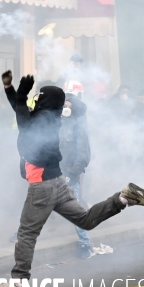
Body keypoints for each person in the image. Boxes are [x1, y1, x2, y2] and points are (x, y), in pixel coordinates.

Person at [1, 70, 144, 287]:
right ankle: (123, 198)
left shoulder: (43, 119)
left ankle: (18, 283)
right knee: (84, 220)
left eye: (40, 95)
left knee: (26, 235)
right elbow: (21, 110)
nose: (37, 98)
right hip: (57, 183)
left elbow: (22, 116)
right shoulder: (51, 116)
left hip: (42, 186)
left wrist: (22, 91)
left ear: (46, 101)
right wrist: (11, 90)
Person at [60, 81, 92, 259]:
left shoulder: (79, 128)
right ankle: (23, 237)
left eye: (69, 102)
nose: (65, 104)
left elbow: (83, 156)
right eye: (64, 101)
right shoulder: (58, 124)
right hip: (53, 175)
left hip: (68, 177)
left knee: (75, 211)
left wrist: (71, 174)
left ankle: (85, 242)